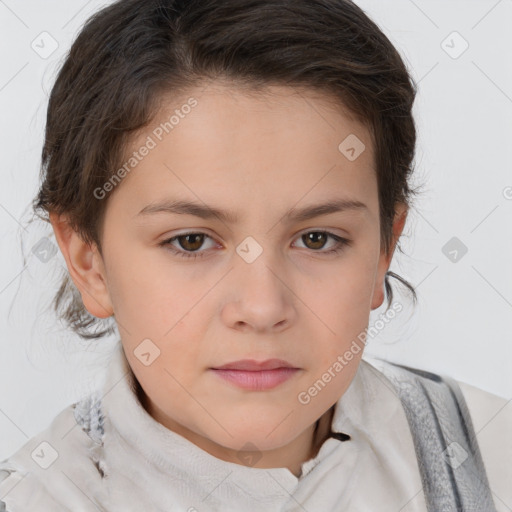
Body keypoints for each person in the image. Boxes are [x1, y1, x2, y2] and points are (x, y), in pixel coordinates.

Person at [0, 0, 510, 510]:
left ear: (384, 247)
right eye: (191, 241)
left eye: (317, 239)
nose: (263, 308)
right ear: (88, 262)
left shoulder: (493, 454)